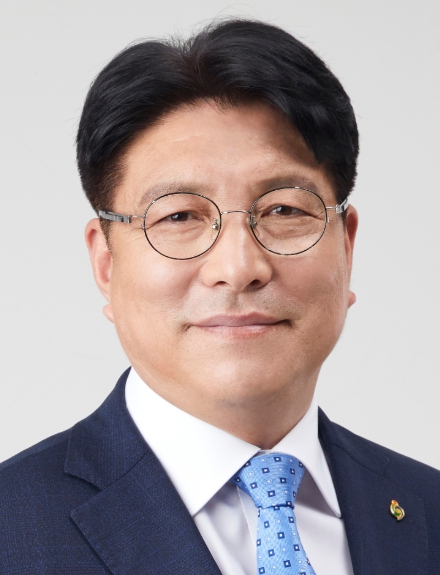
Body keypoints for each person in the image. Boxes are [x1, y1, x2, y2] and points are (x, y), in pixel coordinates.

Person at [0, 18, 438, 575]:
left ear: (346, 248)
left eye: (284, 210)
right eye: (179, 216)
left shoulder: (426, 506)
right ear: (105, 264)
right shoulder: (12, 530)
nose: (238, 268)